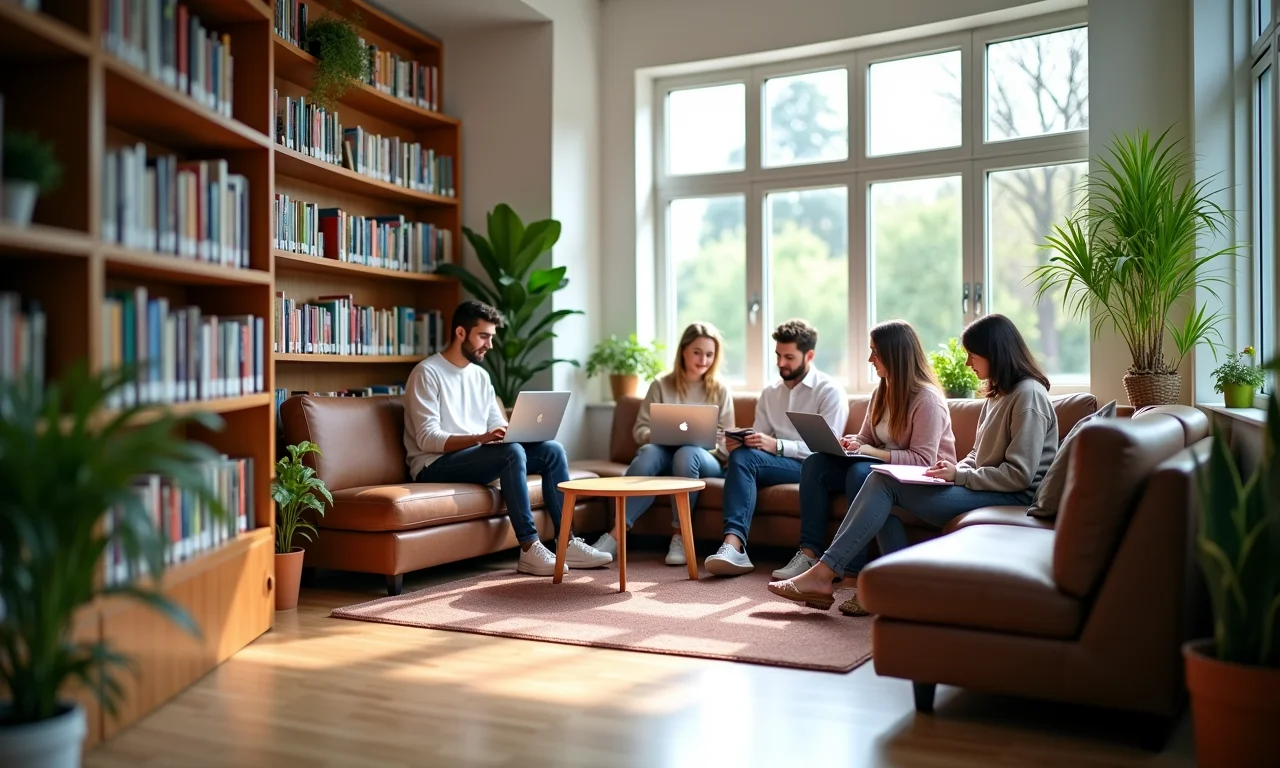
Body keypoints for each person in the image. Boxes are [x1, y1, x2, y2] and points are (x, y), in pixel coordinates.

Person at [766, 313, 1057, 614]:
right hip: (985, 484)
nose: (969, 364)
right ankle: (892, 586)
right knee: (879, 494)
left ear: (994, 353)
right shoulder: (999, 395)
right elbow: (978, 455)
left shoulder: (1028, 397)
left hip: (1011, 496)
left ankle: (824, 574)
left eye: (972, 355)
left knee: (880, 481)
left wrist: (960, 476)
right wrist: (956, 471)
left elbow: (1019, 476)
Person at [402, 299, 613, 576]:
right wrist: (481, 438)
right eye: (484, 336)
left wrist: (512, 431)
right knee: (511, 453)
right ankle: (529, 547)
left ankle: (567, 541)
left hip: (471, 456)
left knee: (552, 450)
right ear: (461, 333)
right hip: (434, 464)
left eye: (491, 337)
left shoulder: (479, 376)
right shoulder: (427, 373)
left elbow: (496, 422)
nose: (489, 345)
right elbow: (428, 439)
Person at [772, 320, 957, 580]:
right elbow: (866, 436)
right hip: (885, 469)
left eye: (875, 352)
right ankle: (809, 553)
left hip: (925, 479)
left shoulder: (926, 399)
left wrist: (873, 452)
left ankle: (851, 569)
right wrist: (854, 443)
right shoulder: (881, 392)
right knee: (815, 463)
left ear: (895, 354)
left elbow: (923, 460)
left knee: (859, 472)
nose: (870, 359)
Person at [705, 319, 848, 576]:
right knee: (742, 455)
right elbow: (759, 438)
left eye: (789, 357)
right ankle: (733, 546)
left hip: (815, 465)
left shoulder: (829, 391)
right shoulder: (770, 393)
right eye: (778, 355)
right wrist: (742, 441)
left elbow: (829, 447)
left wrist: (779, 446)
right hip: (777, 465)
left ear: (810, 355)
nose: (781, 363)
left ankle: (737, 546)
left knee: (749, 459)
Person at [591, 323, 735, 566]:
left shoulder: (720, 390)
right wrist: (659, 435)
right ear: (684, 351)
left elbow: (727, 440)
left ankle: (679, 536)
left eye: (709, 354)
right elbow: (640, 430)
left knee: (688, 453)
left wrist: (703, 442)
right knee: (648, 452)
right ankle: (616, 536)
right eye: (697, 352)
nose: (703, 360)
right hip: (663, 454)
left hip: (704, 460)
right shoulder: (661, 384)